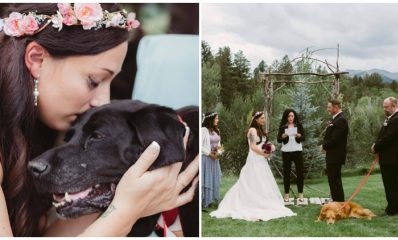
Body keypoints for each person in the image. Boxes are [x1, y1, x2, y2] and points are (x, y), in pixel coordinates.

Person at [0, 3, 198, 237]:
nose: (103, 101)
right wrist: (126, 210)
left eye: (110, 82)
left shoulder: (43, 132)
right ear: (37, 60)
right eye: (94, 81)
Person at [210, 111, 296, 221]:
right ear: (256, 119)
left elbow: (262, 144)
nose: (264, 120)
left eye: (264, 118)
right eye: (262, 118)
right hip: (254, 159)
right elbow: (253, 147)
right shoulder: (252, 130)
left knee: (263, 182)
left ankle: (264, 202)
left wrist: (270, 147)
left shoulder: (260, 130)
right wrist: (264, 153)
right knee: (253, 180)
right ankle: (250, 203)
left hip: (261, 160)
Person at [371, 97, 398, 216]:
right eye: (384, 106)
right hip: (388, 158)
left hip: (392, 158)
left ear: (394, 105)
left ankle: (393, 209)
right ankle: (395, 207)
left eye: (386, 107)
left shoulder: (397, 119)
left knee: (391, 184)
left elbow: (388, 137)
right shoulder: (391, 118)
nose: (384, 109)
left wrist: (376, 147)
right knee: (391, 184)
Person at [320, 99, 348, 202]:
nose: (328, 109)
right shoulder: (336, 119)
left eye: (329, 107)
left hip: (336, 155)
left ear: (336, 107)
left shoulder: (341, 120)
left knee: (335, 180)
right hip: (332, 154)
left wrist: (324, 146)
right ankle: (336, 200)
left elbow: (335, 139)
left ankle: (339, 202)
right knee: (332, 179)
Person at [277, 109, 305, 202]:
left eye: (292, 116)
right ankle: (286, 195)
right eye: (288, 116)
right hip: (286, 151)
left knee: (300, 172)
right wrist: (282, 137)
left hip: (297, 150)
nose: (290, 118)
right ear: (286, 117)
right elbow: (278, 140)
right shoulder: (283, 126)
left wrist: (299, 135)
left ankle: (300, 194)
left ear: (294, 116)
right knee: (286, 173)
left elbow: (304, 137)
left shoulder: (299, 125)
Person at [201, 112, 221, 209]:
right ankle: (205, 201)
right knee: (206, 179)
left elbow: (220, 144)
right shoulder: (204, 130)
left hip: (215, 158)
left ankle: (212, 199)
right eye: (216, 118)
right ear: (211, 119)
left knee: (214, 178)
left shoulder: (216, 130)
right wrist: (209, 154)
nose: (218, 120)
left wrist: (219, 153)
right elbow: (200, 146)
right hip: (206, 158)